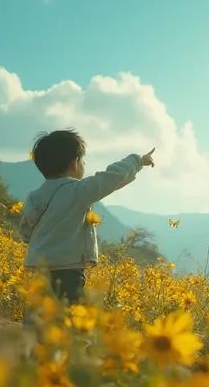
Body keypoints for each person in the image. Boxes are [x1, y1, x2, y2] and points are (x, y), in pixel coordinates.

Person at [19, 128, 155, 306]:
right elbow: (112, 178)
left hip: (37, 270)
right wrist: (138, 160)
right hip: (67, 272)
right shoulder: (78, 191)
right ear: (75, 163)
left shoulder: (33, 196)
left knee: (38, 314)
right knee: (65, 320)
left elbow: (25, 231)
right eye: (82, 160)